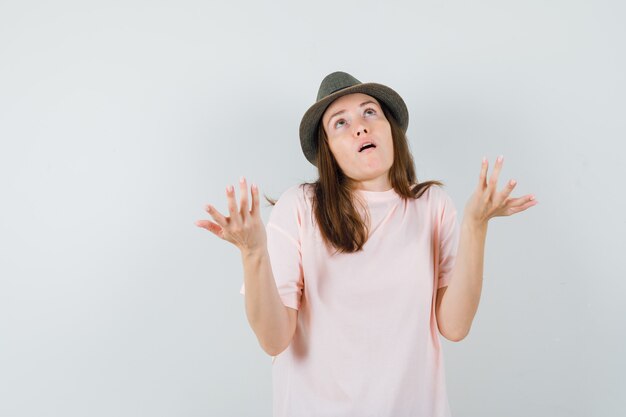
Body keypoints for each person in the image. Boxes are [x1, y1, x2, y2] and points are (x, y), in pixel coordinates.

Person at [195, 71, 538, 417]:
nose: (360, 126)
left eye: (369, 112)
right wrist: (253, 252)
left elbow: (455, 326)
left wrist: (476, 225)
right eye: (340, 123)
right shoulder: (299, 206)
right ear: (327, 150)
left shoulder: (432, 206)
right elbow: (274, 339)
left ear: (390, 128)